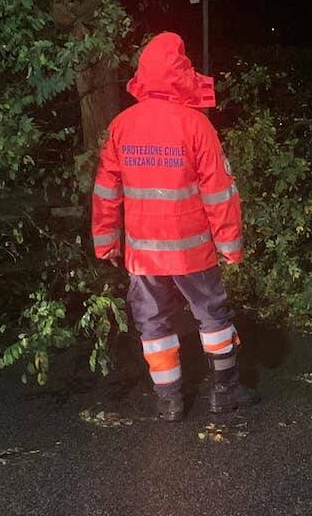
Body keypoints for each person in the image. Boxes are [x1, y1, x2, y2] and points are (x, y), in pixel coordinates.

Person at [91, 32, 260, 422]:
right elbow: (219, 193)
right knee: (212, 315)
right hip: (192, 249)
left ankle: (168, 399)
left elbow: (105, 191)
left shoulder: (121, 126)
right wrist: (231, 244)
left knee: (153, 322)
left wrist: (106, 242)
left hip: (143, 253)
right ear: (181, 74)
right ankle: (225, 392)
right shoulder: (196, 125)